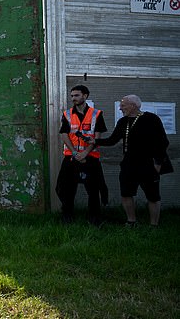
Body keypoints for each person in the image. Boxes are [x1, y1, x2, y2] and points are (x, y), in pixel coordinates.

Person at [94, 95, 169, 226]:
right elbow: (112, 140)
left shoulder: (151, 119)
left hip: (148, 164)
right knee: (126, 193)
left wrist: (157, 164)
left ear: (133, 106)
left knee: (153, 196)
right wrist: (95, 141)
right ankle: (131, 221)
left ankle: (154, 225)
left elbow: (162, 142)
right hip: (129, 164)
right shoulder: (123, 122)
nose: (120, 108)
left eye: (123, 105)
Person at [55, 85, 109, 225]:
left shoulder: (96, 114)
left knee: (93, 189)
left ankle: (94, 219)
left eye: (77, 95)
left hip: (90, 158)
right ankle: (67, 217)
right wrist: (74, 152)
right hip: (71, 157)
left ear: (85, 96)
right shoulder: (67, 114)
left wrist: (85, 152)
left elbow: (97, 136)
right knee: (64, 188)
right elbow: (64, 134)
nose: (73, 98)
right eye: (72, 96)